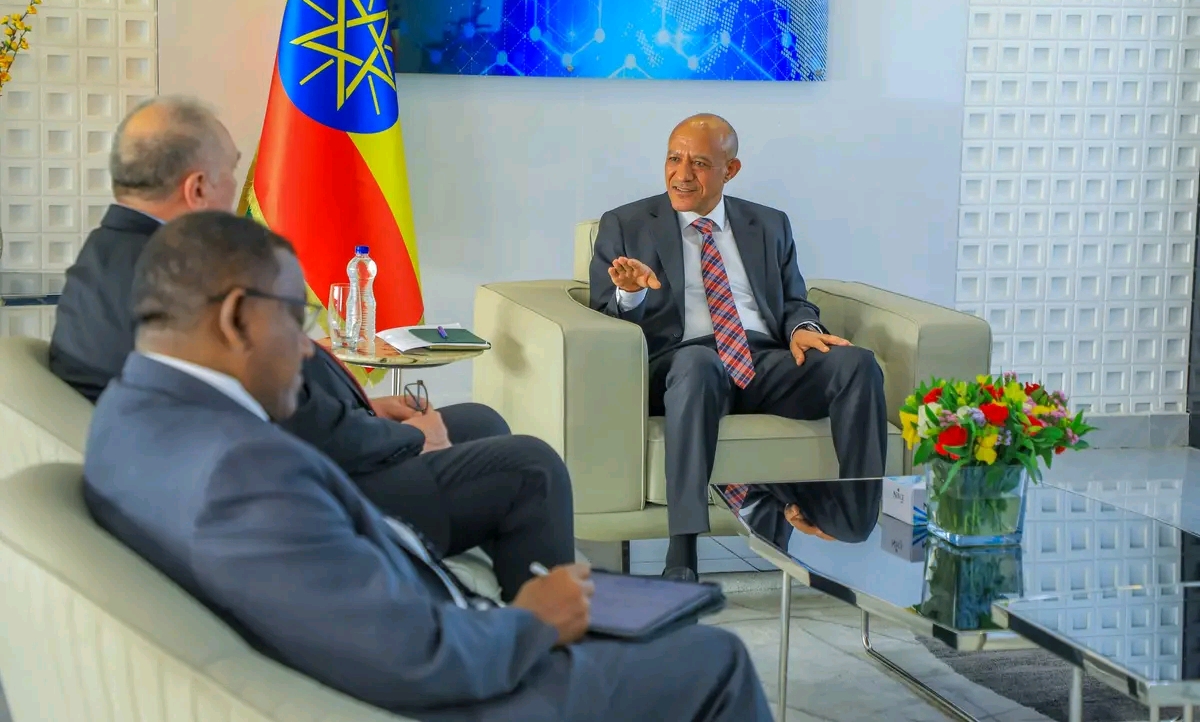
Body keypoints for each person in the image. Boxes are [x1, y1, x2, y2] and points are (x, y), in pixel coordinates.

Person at [83, 212, 772, 721]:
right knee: (714, 660)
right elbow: (416, 660)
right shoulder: (243, 474)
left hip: (424, 647)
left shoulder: (127, 412)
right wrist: (533, 621)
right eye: (297, 318)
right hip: (459, 695)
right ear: (237, 318)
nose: (308, 347)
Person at [51, 96, 574, 599]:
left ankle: (475, 596)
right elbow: (289, 420)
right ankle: (547, 630)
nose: (237, 188)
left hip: (285, 453)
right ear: (199, 187)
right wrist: (409, 438)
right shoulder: (177, 274)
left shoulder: (113, 253)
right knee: (532, 467)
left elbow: (252, 391)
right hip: (305, 486)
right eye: (233, 170)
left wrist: (367, 408)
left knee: (479, 421)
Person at [590, 113, 888, 581]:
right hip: (683, 362)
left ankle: (850, 518)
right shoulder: (626, 224)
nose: (682, 174)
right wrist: (631, 294)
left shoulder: (768, 223)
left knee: (857, 365)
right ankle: (682, 556)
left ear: (731, 170)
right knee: (698, 364)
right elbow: (604, 316)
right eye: (673, 158)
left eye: (699, 163)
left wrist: (801, 327)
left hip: (763, 359)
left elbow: (794, 299)